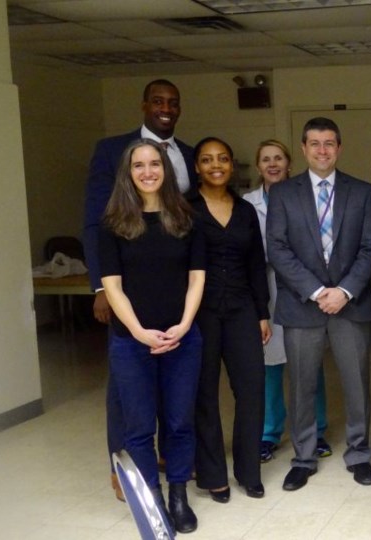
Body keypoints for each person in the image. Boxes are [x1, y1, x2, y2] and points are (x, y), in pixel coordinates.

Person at [83, 79, 196, 501]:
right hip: (125, 292)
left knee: (176, 395)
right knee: (126, 396)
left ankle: (173, 468)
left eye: (173, 102)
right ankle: (123, 469)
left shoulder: (186, 154)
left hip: (174, 290)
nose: (166, 108)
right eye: (158, 101)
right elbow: (96, 222)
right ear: (144, 105)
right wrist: (100, 286)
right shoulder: (113, 149)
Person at [267, 117, 371, 490]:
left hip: (351, 303)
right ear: (303, 148)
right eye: (314, 143)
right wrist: (317, 291)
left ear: (340, 147)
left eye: (329, 143)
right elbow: (277, 249)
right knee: (300, 384)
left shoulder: (361, 192)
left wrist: (343, 291)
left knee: (357, 382)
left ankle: (359, 452)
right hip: (302, 305)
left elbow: (369, 249)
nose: (322, 150)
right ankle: (303, 457)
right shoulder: (283, 193)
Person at [99, 139, 204, 534]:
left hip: (182, 339)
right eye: (138, 165)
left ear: (166, 169)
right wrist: (140, 333)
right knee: (139, 429)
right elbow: (113, 287)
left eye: (154, 164)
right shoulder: (112, 224)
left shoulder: (186, 219)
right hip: (131, 344)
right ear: (128, 173)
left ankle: (178, 495)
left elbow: (197, 280)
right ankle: (153, 501)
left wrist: (183, 324)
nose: (147, 172)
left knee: (178, 423)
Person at [187, 137, 268, 502]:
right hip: (198, 313)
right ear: (196, 167)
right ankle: (212, 475)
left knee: (251, 390)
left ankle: (249, 471)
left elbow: (256, 266)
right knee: (203, 394)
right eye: (207, 160)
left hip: (241, 310)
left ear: (232, 165)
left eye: (222, 158)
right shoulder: (184, 207)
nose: (215, 165)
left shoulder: (245, 210)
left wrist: (262, 314)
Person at [243, 140, 332, 465]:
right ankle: (269, 432)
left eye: (278, 158)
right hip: (265, 288)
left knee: (309, 364)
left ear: (290, 162)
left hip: (302, 288)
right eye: (265, 159)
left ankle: (317, 429)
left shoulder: (306, 194)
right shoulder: (248, 203)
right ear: (258, 166)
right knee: (270, 365)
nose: (272, 164)